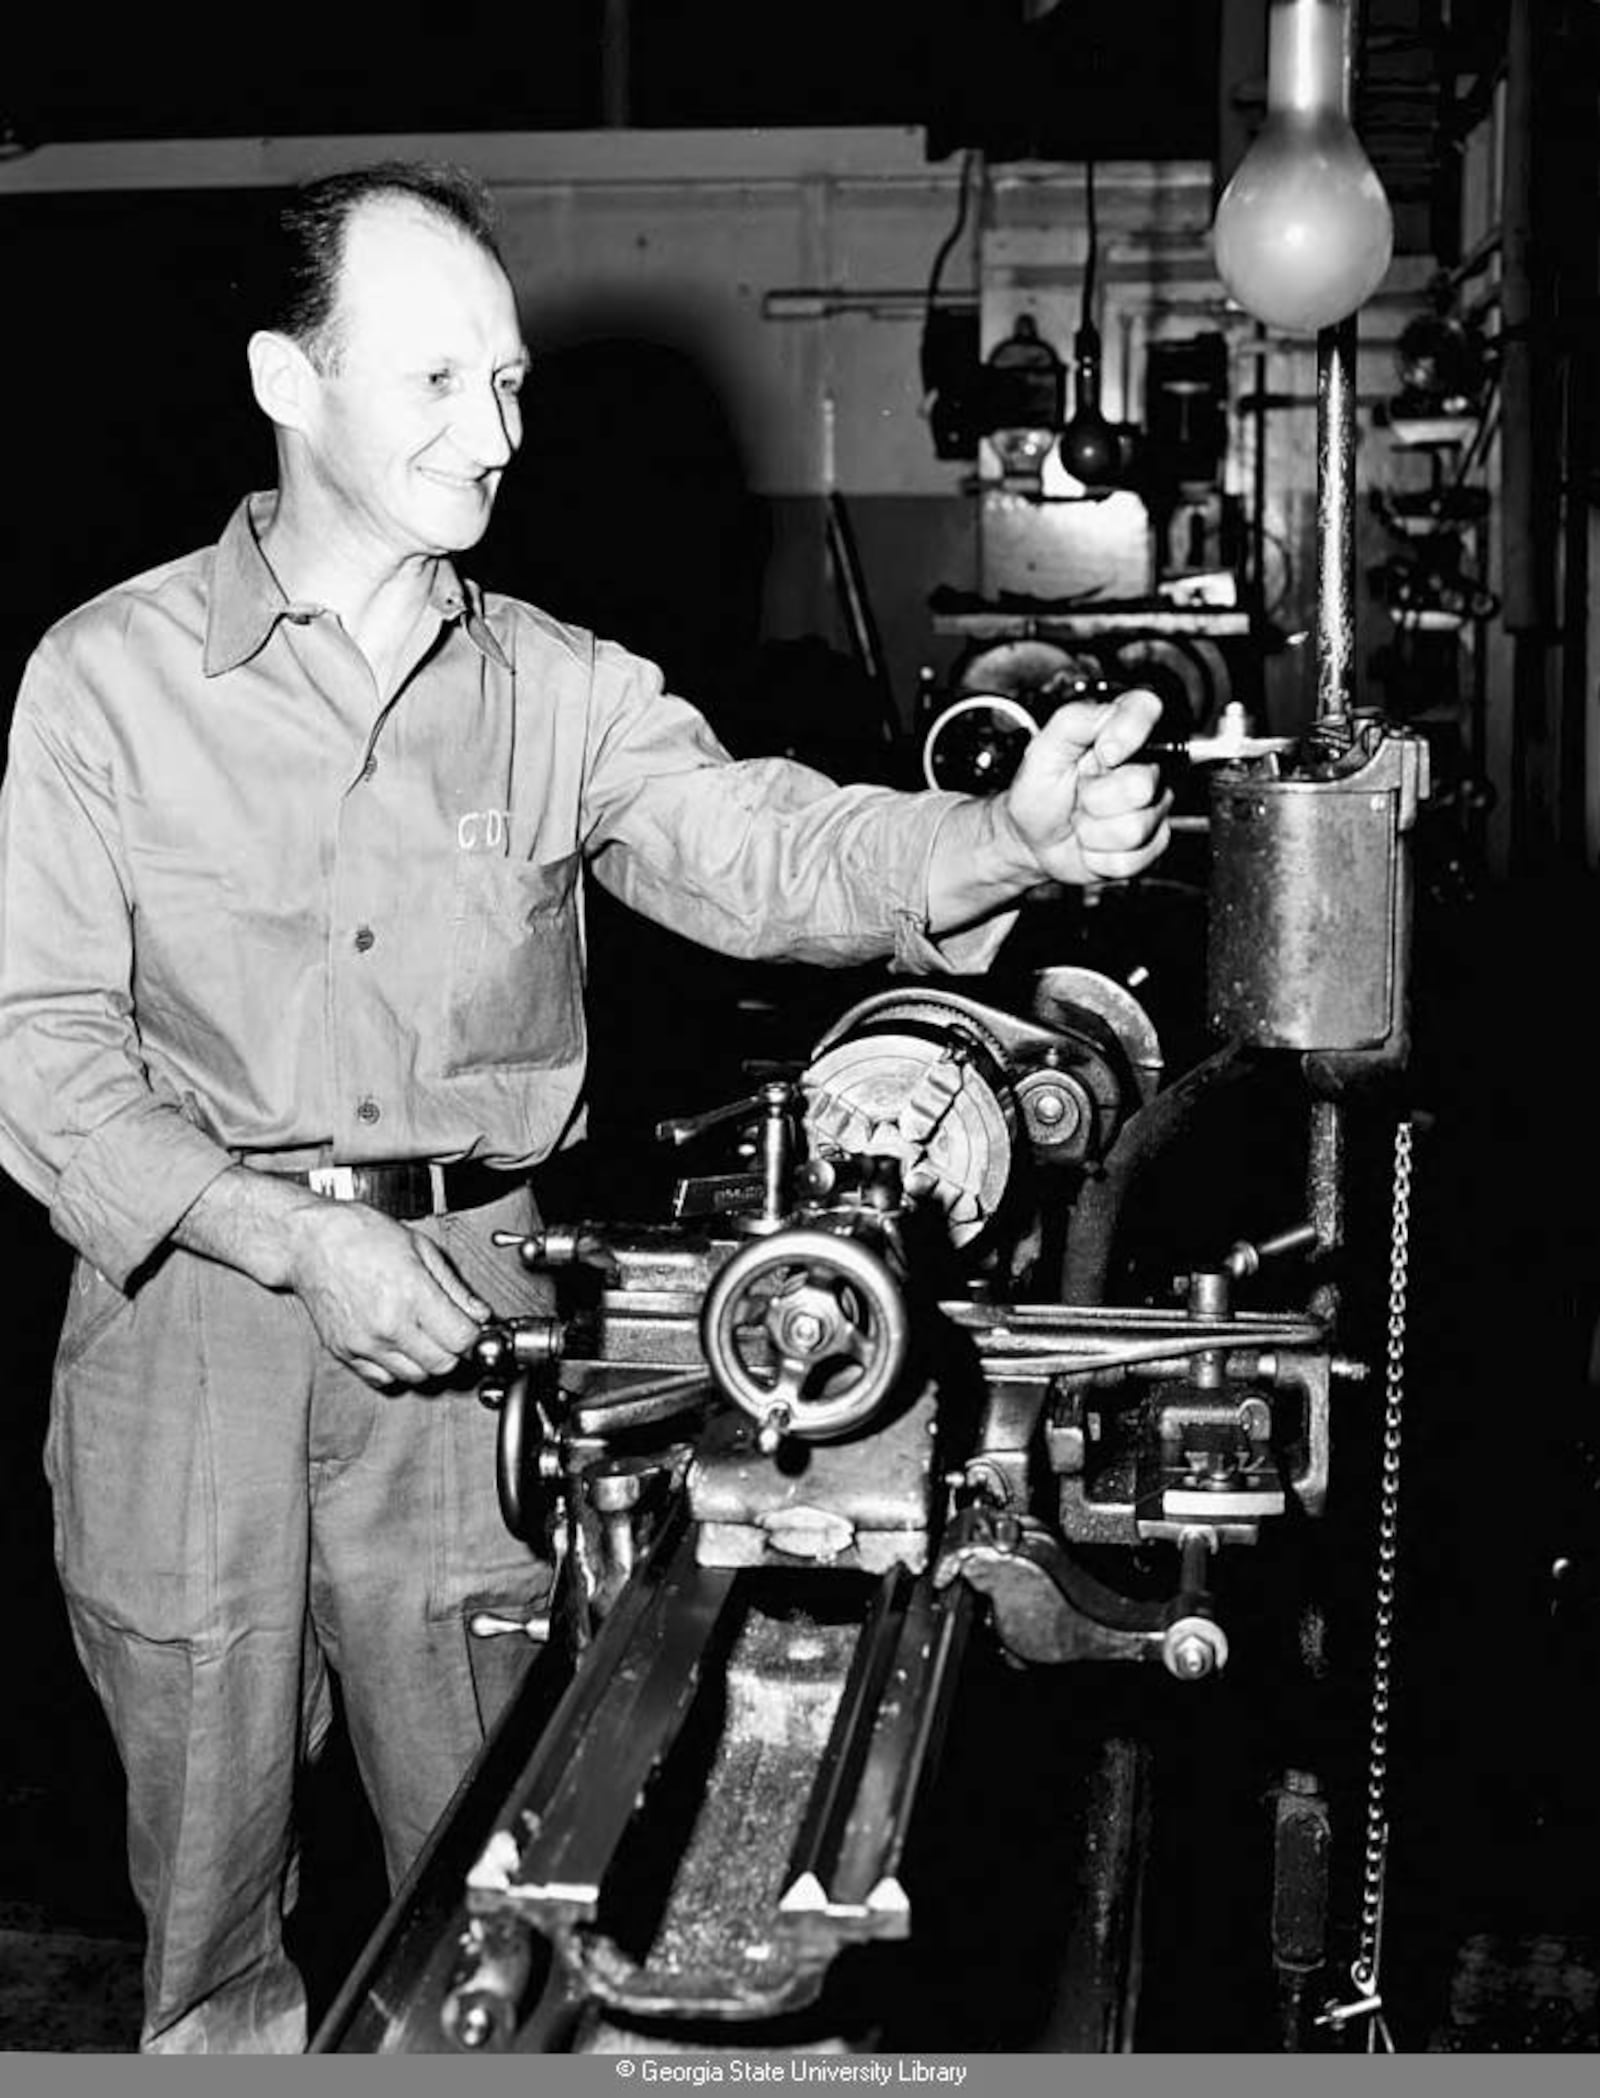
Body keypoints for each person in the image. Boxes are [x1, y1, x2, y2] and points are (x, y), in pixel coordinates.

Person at [0, 161, 1170, 2054]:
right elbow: (38, 1054)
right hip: (189, 1328)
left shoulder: (555, 691)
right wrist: (292, 1233)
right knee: (206, 1923)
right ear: (289, 385)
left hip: (474, 1336)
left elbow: (758, 840)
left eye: (515, 382)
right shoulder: (104, 685)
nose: (500, 431)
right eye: (441, 382)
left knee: (505, 1889)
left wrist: (998, 834)